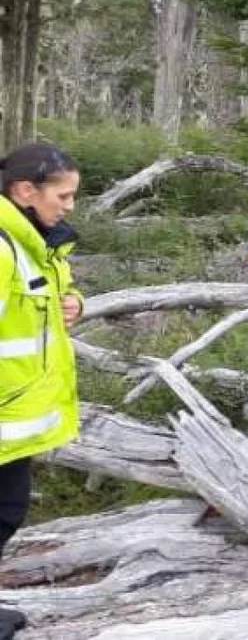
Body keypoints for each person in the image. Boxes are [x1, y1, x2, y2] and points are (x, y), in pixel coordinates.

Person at [0, 142, 84, 636]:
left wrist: (75, 302)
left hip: (16, 414)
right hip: (6, 408)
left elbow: (49, 294)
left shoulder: (38, 242)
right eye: (64, 195)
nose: (70, 206)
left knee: (7, 512)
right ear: (25, 190)